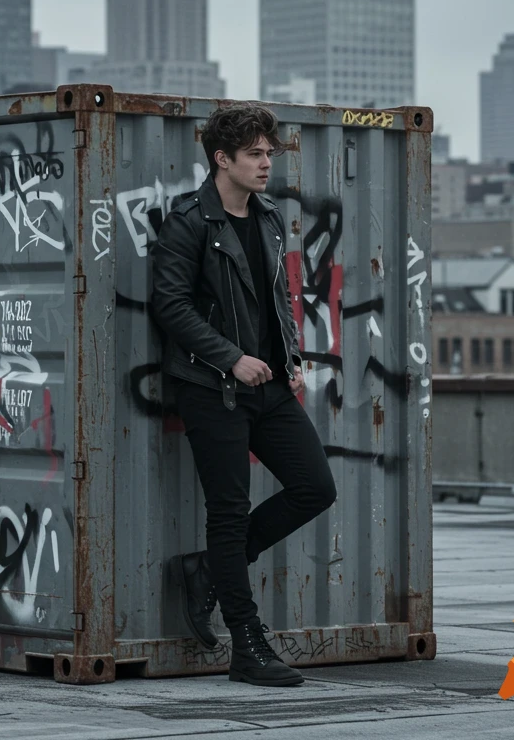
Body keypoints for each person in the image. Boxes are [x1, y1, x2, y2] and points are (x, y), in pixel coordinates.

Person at [151, 101, 337, 687]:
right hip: (212, 388)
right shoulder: (188, 222)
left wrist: (292, 359)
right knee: (228, 513)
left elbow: (277, 297)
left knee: (315, 487)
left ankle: (208, 570)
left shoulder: (268, 217)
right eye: (254, 154)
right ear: (221, 158)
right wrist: (231, 357)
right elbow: (171, 307)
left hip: (270, 386)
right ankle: (246, 643)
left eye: (268, 153)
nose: (265, 164)